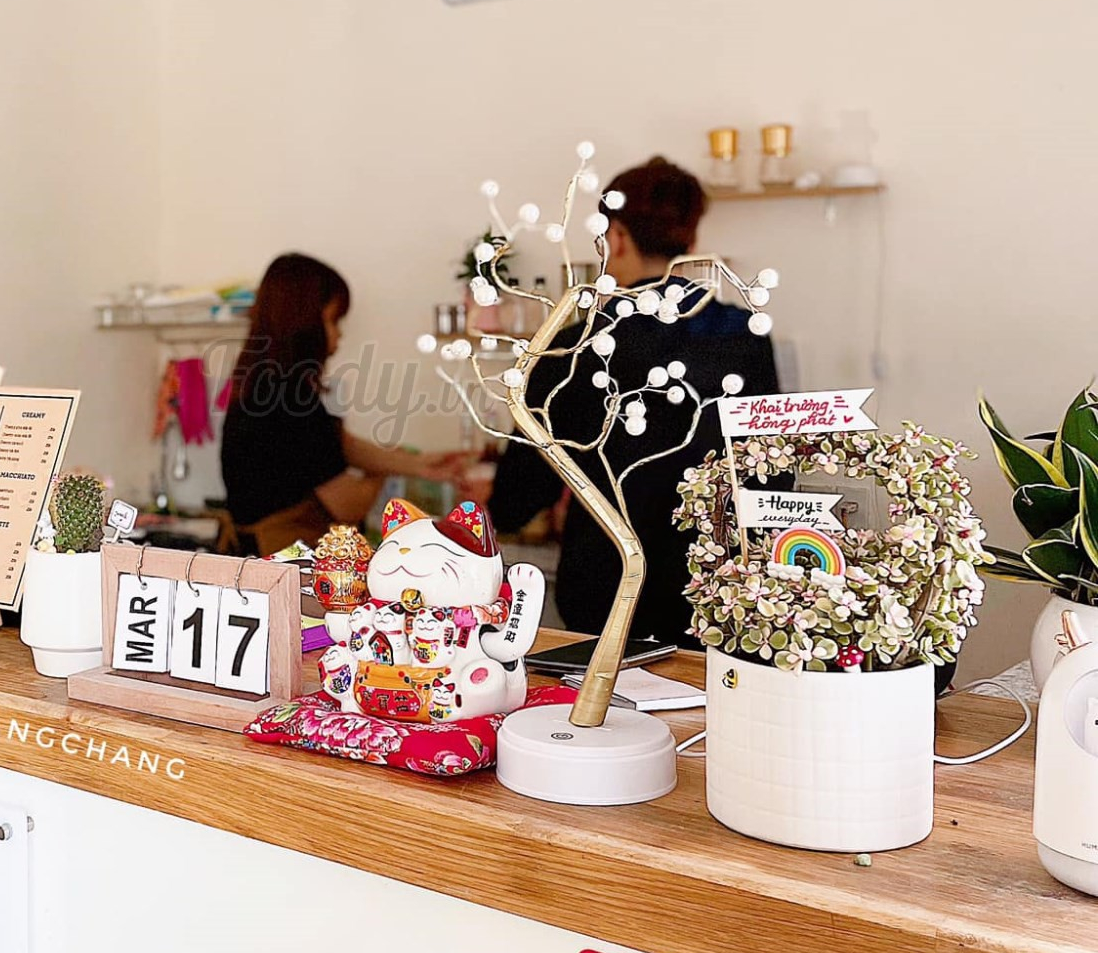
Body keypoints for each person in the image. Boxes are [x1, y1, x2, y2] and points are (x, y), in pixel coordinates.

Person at [488, 157, 777, 645]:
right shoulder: (745, 337)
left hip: (606, 587)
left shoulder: (577, 345)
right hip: (715, 588)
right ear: (690, 238)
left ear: (616, 236)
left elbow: (520, 493)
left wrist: (496, 507)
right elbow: (769, 467)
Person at [222, 252, 465, 554]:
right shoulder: (288, 400)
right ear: (304, 322)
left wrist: (419, 465)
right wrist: (384, 472)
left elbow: (337, 446)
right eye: (333, 320)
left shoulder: (266, 386)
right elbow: (349, 505)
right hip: (283, 558)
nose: (339, 333)